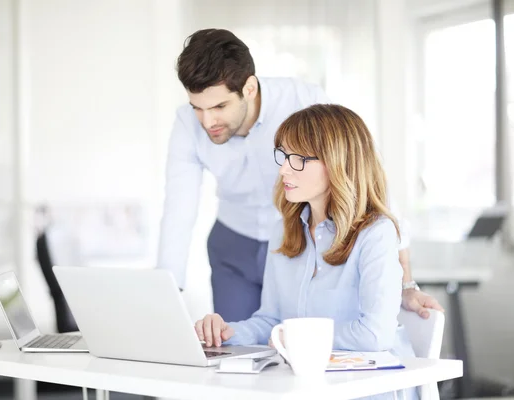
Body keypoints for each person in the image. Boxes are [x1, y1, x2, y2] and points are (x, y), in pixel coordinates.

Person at [157, 28, 443, 322]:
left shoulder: (302, 100)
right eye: (198, 108)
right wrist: (164, 297)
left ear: (249, 89)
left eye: (219, 106)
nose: (207, 121)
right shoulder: (186, 125)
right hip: (234, 244)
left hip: (299, 239)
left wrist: (406, 285)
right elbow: (178, 210)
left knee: (299, 343)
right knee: (235, 349)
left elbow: (365, 176)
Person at [194, 104, 417, 400]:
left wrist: (298, 339)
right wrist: (224, 333)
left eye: (298, 159)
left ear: (338, 163)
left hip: (369, 390)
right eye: (284, 156)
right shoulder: (284, 231)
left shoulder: (376, 233)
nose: (285, 168)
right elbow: (272, 321)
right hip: (308, 388)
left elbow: (376, 334)